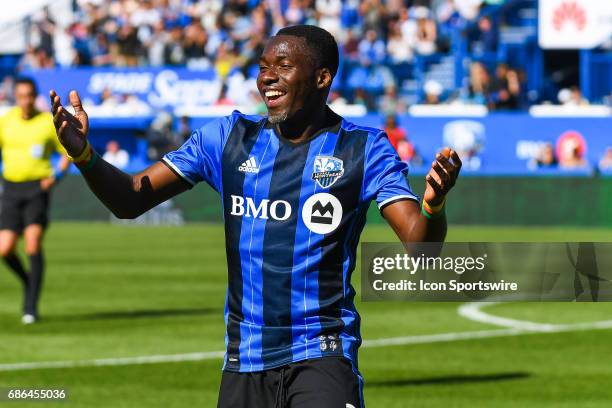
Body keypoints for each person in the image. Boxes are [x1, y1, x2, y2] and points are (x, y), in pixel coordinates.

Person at [50, 25, 461, 407]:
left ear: (322, 78)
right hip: (244, 360)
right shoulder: (227, 138)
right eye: (263, 67)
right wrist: (84, 156)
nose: (267, 77)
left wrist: (434, 204)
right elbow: (130, 200)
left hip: (322, 353)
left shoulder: (363, 149)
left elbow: (420, 246)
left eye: (283, 66)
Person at [0, 77, 70, 324]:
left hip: (36, 190)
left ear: (34, 96)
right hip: (10, 189)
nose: (25, 100)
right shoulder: (6, 122)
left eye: (29, 95)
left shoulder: (46, 123)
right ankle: (29, 281)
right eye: (20, 95)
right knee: (4, 248)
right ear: (15, 97)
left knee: (32, 244)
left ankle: (30, 306)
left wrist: (56, 176)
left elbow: (68, 152)